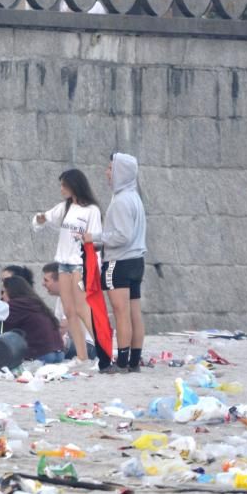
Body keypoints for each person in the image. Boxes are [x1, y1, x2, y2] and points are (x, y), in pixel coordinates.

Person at [82, 153, 147, 373]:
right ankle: (134, 361)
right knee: (134, 312)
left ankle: (122, 362)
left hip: (119, 263)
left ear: (121, 172)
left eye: (111, 168)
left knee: (121, 313)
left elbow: (121, 236)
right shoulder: (135, 197)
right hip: (136, 261)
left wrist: (95, 238)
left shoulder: (120, 201)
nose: (107, 173)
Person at [32, 169, 102, 362]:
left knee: (82, 308)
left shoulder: (92, 210)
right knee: (69, 310)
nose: (61, 189)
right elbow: (44, 218)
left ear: (74, 185)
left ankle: (103, 351)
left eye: (64, 185)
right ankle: (82, 357)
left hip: (80, 263)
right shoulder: (65, 207)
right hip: (63, 263)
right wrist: (40, 218)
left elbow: (96, 239)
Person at [2, 275, 65, 364]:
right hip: (59, 353)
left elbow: (4, 330)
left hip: (42, 355)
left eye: (3, 292)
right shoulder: (36, 302)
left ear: (11, 291)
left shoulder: (16, 305)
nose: (2, 296)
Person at [42, 262, 96, 360]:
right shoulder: (61, 299)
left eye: (46, 280)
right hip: (77, 344)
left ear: (60, 281)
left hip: (89, 346)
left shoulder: (73, 297)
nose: (43, 284)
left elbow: (62, 328)